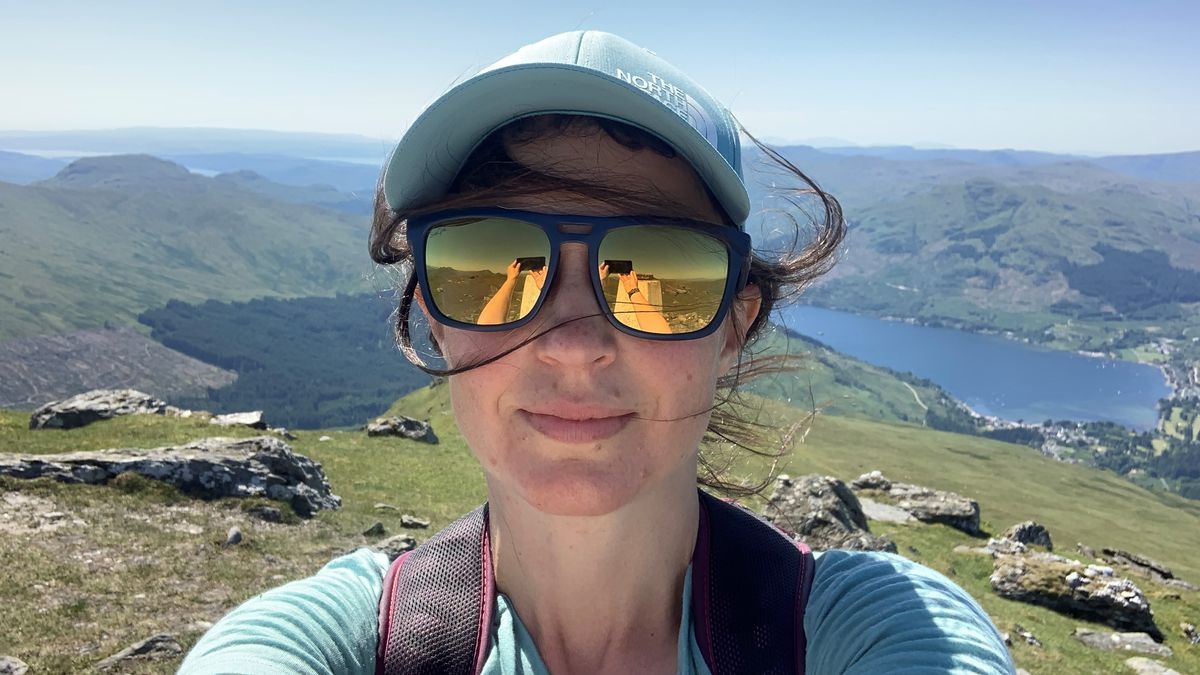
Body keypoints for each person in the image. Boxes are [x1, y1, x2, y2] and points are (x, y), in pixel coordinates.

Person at [180, 30, 1014, 674]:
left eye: (658, 267)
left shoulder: (865, 631)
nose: (574, 345)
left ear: (732, 323)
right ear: (435, 311)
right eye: (495, 265)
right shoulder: (340, 640)